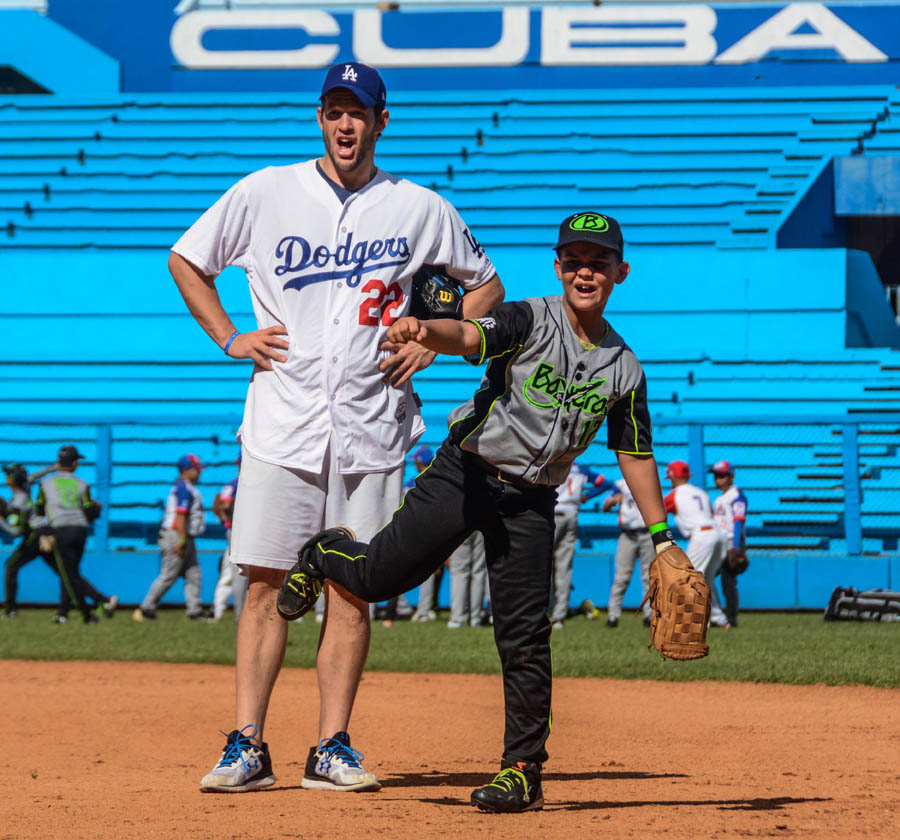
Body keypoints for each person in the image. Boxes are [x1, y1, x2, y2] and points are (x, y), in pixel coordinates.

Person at [167, 60, 503, 794]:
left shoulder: (419, 206)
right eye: (333, 110)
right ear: (320, 118)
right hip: (282, 421)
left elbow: (486, 288)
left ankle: (331, 747)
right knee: (262, 582)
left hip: (373, 424)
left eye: (359, 112)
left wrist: (432, 340)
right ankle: (247, 746)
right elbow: (189, 260)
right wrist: (230, 337)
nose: (345, 124)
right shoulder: (266, 191)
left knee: (353, 589)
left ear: (383, 121)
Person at [278, 211, 682, 813]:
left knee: (525, 636)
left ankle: (522, 771)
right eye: (573, 260)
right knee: (378, 579)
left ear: (621, 271)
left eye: (598, 262)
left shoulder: (625, 368)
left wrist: (663, 539)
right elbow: (470, 338)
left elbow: (634, 453)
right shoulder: (526, 316)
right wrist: (425, 330)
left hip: (530, 500)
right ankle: (324, 551)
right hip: (464, 475)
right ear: (558, 267)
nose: (585, 271)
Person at [35, 445, 114, 624]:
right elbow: (89, 512)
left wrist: (42, 532)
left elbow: (39, 508)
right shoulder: (82, 484)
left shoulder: (46, 483)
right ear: (75, 463)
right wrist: (97, 509)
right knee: (70, 572)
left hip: (60, 529)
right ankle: (63, 613)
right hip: (79, 530)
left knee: (69, 574)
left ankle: (102, 600)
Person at [133, 454, 206, 621]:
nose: (199, 473)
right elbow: (180, 516)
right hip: (177, 535)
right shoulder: (184, 489)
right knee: (168, 575)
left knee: (193, 573)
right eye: (196, 469)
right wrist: (181, 540)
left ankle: (195, 610)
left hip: (184, 535)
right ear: (187, 470)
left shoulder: (183, 487)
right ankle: (146, 607)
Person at [663, 460, 730, 628]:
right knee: (706, 579)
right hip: (717, 534)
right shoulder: (701, 493)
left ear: (672, 477)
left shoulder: (674, 494)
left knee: (688, 578)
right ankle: (719, 618)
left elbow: (657, 513)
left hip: (701, 536)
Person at [549, 462, 613, 629]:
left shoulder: (553, 462)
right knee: (564, 567)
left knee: (542, 564)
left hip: (553, 513)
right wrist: (587, 496)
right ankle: (559, 616)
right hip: (572, 514)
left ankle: (544, 610)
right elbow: (604, 483)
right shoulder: (582, 470)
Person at [1, 462, 58, 618]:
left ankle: (11, 610)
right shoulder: (24, 486)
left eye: (8, 474)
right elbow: (34, 476)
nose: (5, 477)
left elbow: (15, 533)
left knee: (11, 566)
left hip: (35, 535)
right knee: (63, 571)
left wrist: (1, 521)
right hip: (44, 531)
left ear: (13, 479)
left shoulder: (17, 502)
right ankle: (100, 600)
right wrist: (53, 467)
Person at [603, 475, 654, 628]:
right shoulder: (620, 484)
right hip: (628, 534)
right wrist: (612, 501)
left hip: (647, 532)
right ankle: (613, 616)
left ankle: (650, 615)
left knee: (649, 577)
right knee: (622, 577)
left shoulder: (649, 480)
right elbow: (605, 507)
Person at [407, 445, 445, 623]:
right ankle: (423, 609)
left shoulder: (414, 482)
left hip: (412, 531)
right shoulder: (436, 481)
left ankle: (414, 608)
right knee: (429, 571)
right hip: (428, 531)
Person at [711, 459, 749, 628]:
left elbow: (738, 521)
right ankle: (714, 614)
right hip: (717, 541)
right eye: (716, 476)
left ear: (731, 477)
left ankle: (731, 618)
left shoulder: (737, 496)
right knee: (706, 577)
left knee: (728, 582)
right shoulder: (719, 498)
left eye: (722, 476)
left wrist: (735, 546)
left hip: (730, 541)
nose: (718, 479)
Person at [210, 456, 246, 623]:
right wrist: (228, 520)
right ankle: (239, 615)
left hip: (234, 530)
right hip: (240, 531)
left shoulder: (232, 483)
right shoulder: (238, 483)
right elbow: (222, 505)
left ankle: (218, 611)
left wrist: (225, 521)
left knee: (228, 572)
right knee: (239, 573)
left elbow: (219, 504)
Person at [447, 531, 487, 628]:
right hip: (482, 525)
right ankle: (475, 619)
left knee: (459, 571)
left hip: (461, 524)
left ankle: (456, 619)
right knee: (478, 572)